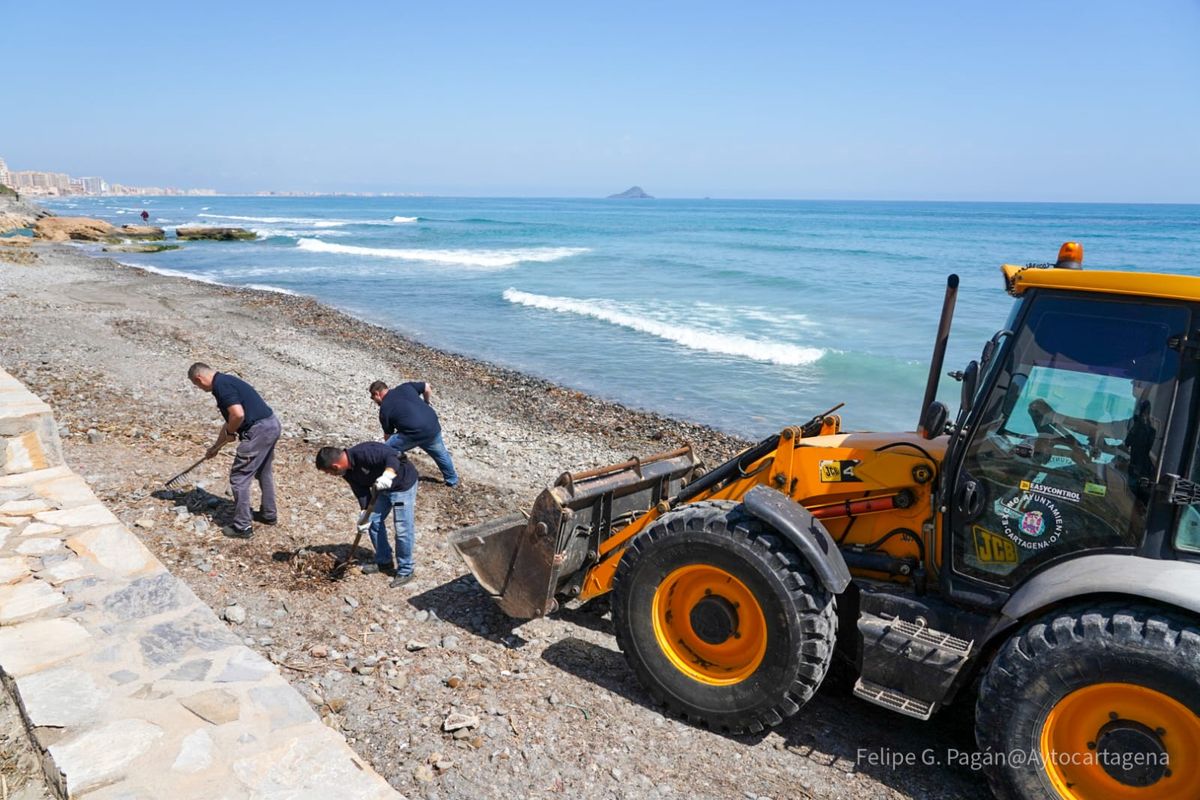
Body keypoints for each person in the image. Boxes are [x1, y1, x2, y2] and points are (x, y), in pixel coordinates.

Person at [187, 363, 281, 538]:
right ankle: (269, 515)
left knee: (239, 478)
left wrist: (231, 432)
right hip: (271, 425)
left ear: (199, 379)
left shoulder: (221, 386)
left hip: (258, 430)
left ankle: (242, 527)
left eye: (197, 385)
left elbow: (237, 415)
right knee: (263, 471)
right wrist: (215, 446)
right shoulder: (226, 381)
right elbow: (230, 420)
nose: (200, 389)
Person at [315, 443, 418, 587]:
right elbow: (362, 492)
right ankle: (384, 561)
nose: (331, 475)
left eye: (328, 472)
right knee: (373, 522)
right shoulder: (347, 472)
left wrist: (387, 475)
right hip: (381, 489)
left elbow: (393, 457)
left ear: (335, 466)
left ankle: (406, 570)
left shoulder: (365, 452)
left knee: (402, 530)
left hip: (402, 485)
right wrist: (364, 514)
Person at [369, 379, 459, 487]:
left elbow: (388, 435)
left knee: (386, 450)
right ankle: (452, 480)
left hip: (413, 433)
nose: (375, 402)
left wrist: (392, 451)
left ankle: (385, 473)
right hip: (432, 425)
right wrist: (426, 402)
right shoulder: (405, 387)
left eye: (373, 398)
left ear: (377, 394)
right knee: (441, 454)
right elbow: (427, 386)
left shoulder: (384, 409)